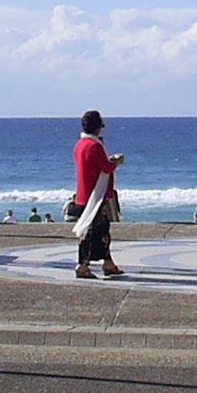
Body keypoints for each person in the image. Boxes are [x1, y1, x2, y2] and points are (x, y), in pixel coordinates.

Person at [72, 109, 124, 279]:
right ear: (97, 127)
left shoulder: (80, 145)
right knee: (93, 232)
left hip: (83, 193)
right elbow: (105, 167)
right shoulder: (94, 146)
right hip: (94, 195)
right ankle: (83, 266)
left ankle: (108, 263)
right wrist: (115, 162)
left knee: (101, 231)